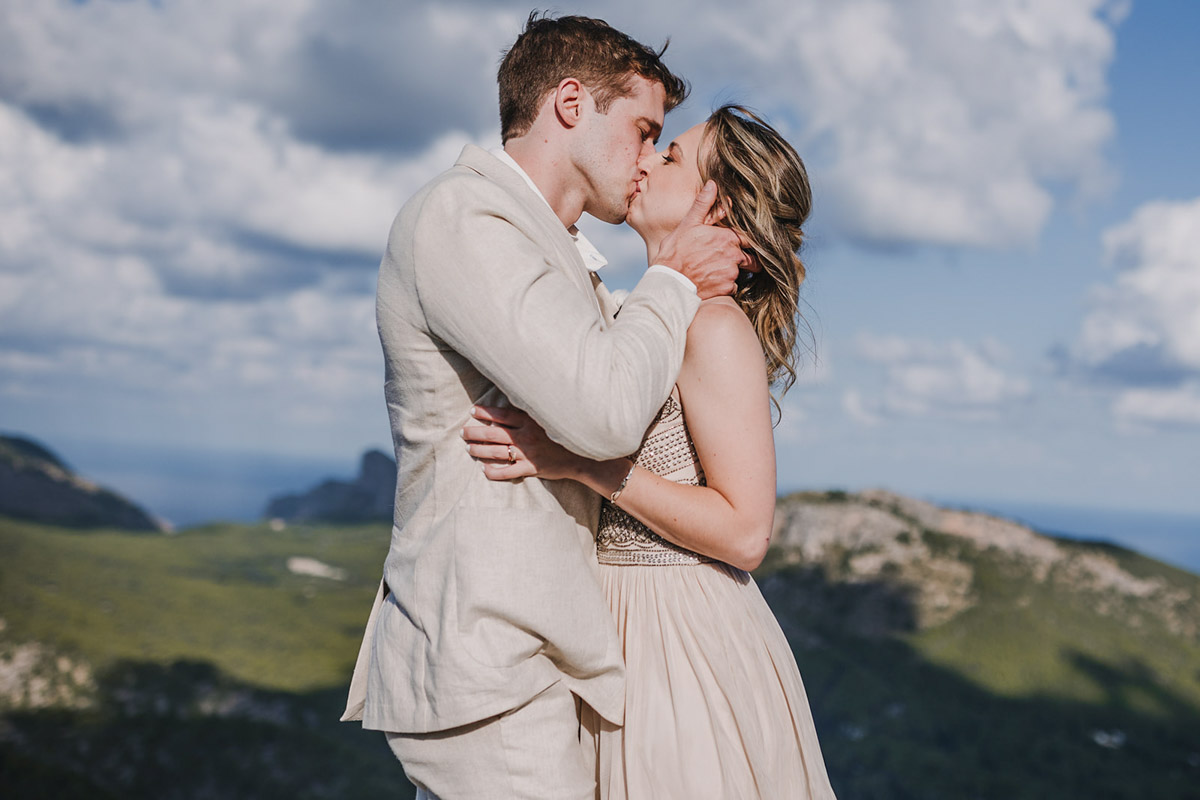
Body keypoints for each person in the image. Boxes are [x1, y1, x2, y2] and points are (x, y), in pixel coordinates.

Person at [340, 13, 750, 800]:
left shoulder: (556, 250)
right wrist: (672, 278)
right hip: (486, 662)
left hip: (535, 661)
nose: (644, 160)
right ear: (570, 104)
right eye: (641, 130)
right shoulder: (462, 218)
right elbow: (601, 412)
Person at [464, 105, 838, 798]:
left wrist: (580, 464)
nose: (643, 161)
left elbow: (747, 530)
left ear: (716, 204)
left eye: (670, 158)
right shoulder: (651, 314)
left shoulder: (714, 327)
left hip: (680, 641)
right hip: (614, 624)